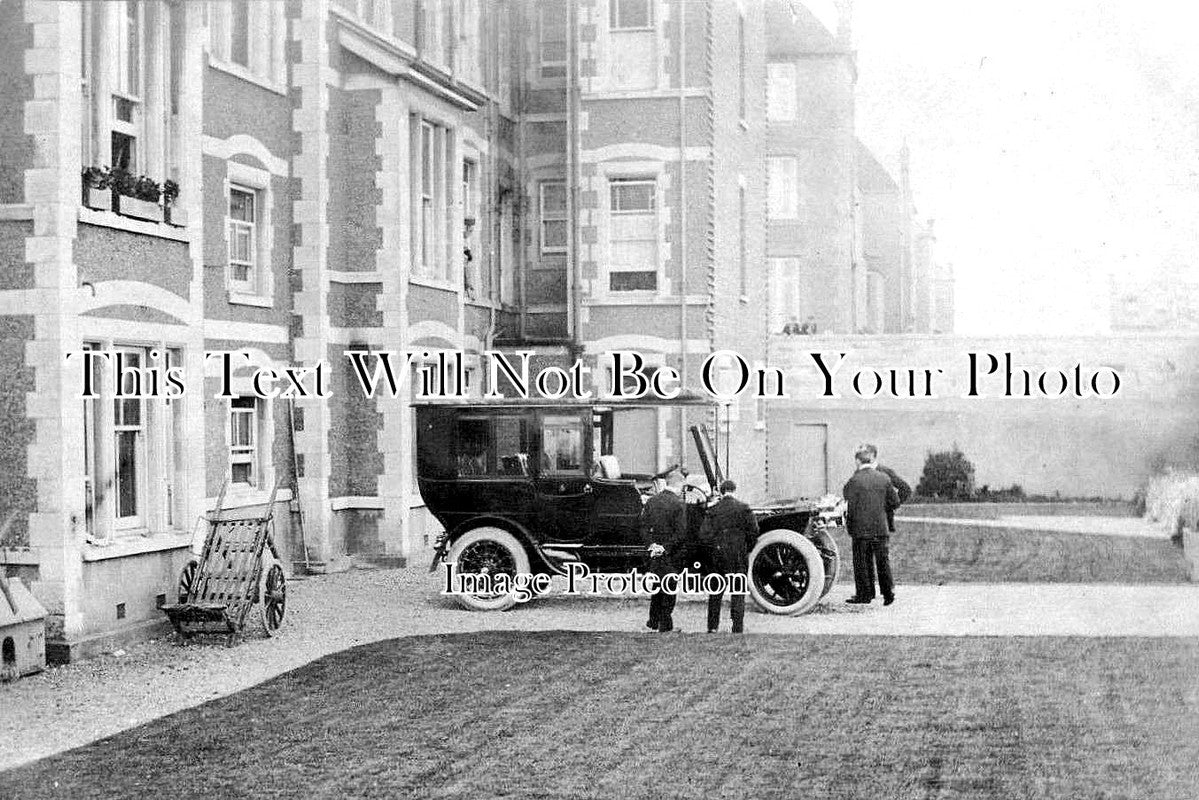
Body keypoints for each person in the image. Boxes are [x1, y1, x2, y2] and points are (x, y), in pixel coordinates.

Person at [842, 444, 900, 606]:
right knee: (883, 561)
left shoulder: (854, 480)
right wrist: (881, 509)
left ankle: (865, 594)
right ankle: (888, 593)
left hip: (861, 529)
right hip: (881, 527)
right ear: (871, 459)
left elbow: (847, 499)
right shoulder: (884, 478)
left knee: (862, 562)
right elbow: (895, 502)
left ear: (857, 461)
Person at [698, 479, 759, 633]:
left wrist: (713, 549)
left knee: (715, 592)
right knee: (737, 592)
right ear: (734, 490)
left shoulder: (713, 510)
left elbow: (704, 535)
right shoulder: (744, 509)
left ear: (721, 491)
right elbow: (754, 532)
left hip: (718, 555)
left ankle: (712, 627)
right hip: (738, 555)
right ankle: (737, 627)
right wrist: (746, 548)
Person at [640, 468, 688, 632]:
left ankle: (653, 622)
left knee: (657, 588)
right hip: (671, 554)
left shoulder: (652, 501)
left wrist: (652, 545)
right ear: (679, 484)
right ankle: (665, 625)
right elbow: (681, 533)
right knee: (669, 590)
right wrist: (665, 548)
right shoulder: (678, 504)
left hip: (654, 553)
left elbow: (643, 527)